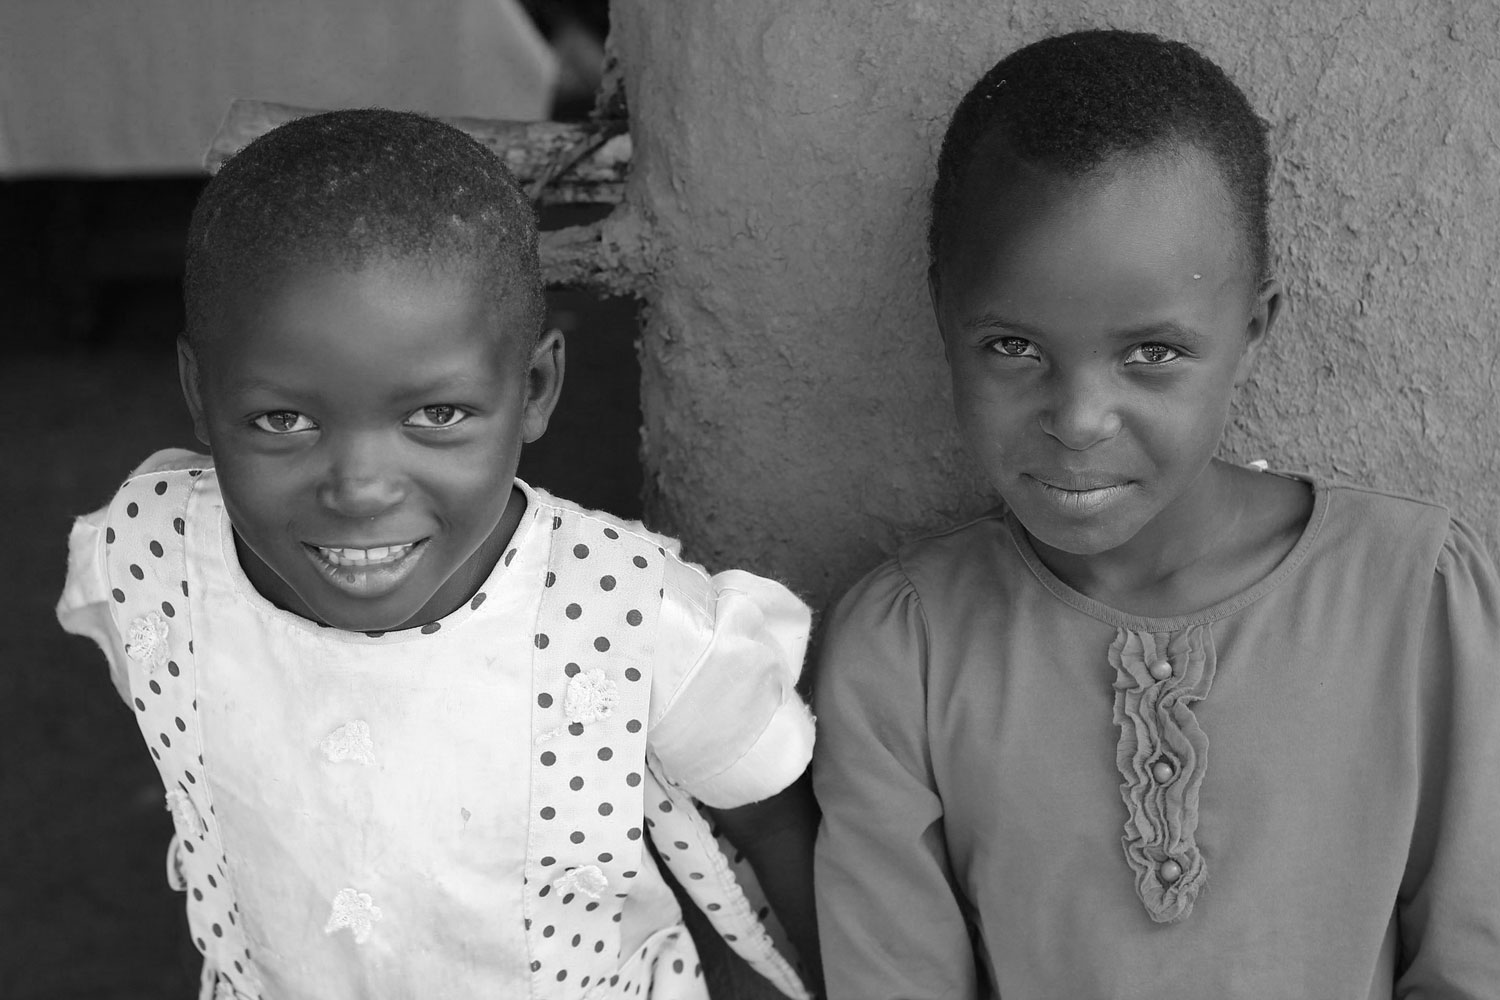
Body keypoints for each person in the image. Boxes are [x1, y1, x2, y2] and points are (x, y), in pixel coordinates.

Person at [56, 109, 819, 1000]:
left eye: (437, 414)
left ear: (534, 389)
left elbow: (772, 826)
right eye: (283, 419)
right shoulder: (148, 561)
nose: (359, 488)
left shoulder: (635, 620)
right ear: (198, 391)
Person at [812, 28, 1500, 1000]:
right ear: (942, 317)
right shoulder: (908, 648)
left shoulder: (1416, 595)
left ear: (1252, 330)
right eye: (1013, 347)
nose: (1080, 420)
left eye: (1154, 353)